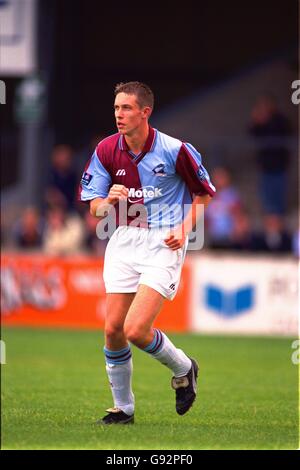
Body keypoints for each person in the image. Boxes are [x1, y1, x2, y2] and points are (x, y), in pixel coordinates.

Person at [78, 81, 216, 425]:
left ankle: (184, 368)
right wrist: (107, 201)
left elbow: (204, 193)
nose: (119, 115)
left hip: (163, 242)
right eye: (115, 108)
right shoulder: (106, 150)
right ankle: (123, 409)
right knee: (113, 329)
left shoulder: (175, 149)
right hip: (123, 239)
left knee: (136, 330)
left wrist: (185, 231)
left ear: (145, 112)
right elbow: (93, 207)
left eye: (126, 108)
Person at [249, 94, 291, 216]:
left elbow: (284, 133)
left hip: (279, 163)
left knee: (278, 194)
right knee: (266, 194)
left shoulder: (280, 120)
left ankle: (279, 216)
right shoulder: (261, 121)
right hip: (265, 164)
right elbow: (252, 134)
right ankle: (268, 215)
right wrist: (256, 121)